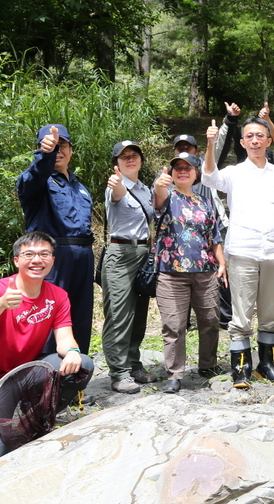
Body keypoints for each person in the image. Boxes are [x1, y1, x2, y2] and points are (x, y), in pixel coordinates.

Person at [203, 116, 274, 388]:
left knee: (270, 311)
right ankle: (241, 367)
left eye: (260, 136)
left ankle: (267, 364)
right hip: (242, 251)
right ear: (242, 142)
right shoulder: (233, 173)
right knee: (240, 313)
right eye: (249, 136)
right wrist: (210, 143)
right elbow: (208, 177)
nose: (254, 140)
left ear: (267, 140)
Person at [0, 232, 94, 408]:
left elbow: (64, 338)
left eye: (44, 254)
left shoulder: (58, 295)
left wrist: (73, 351)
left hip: (27, 372)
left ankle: (39, 413)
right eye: (28, 254)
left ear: (52, 259)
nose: (37, 260)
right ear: (16, 261)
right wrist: (1, 304)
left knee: (83, 363)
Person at [16, 124, 94, 356]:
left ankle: (73, 380)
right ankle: (43, 379)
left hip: (83, 256)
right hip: (52, 257)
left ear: (71, 150)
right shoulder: (36, 182)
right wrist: (45, 155)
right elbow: (34, 175)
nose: (58, 150)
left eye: (62, 146)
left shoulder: (80, 187)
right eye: (51, 146)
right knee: (47, 316)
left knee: (80, 316)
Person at [152, 153, 226, 393]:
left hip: (205, 271)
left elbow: (214, 237)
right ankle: (174, 373)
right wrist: (159, 185)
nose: (182, 171)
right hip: (171, 271)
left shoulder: (204, 202)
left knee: (210, 320)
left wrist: (221, 263)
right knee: (174, 325)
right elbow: (159, 198)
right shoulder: (167, 195)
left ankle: (208, 365)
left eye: (188, 168)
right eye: (177, 168)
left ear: (197, 173)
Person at [102, 141, 158, 394]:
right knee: (119, 314)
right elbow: (117, 195)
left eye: (134, 155)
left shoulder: (146, 190)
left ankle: (134, 364)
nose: (130, 159)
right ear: (117, 164)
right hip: (121, 254)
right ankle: (118, 372)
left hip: (144, 252)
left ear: (141, 160)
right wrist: (117, 186)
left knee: (139, 313)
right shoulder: (116, 185)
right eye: (124, 157)